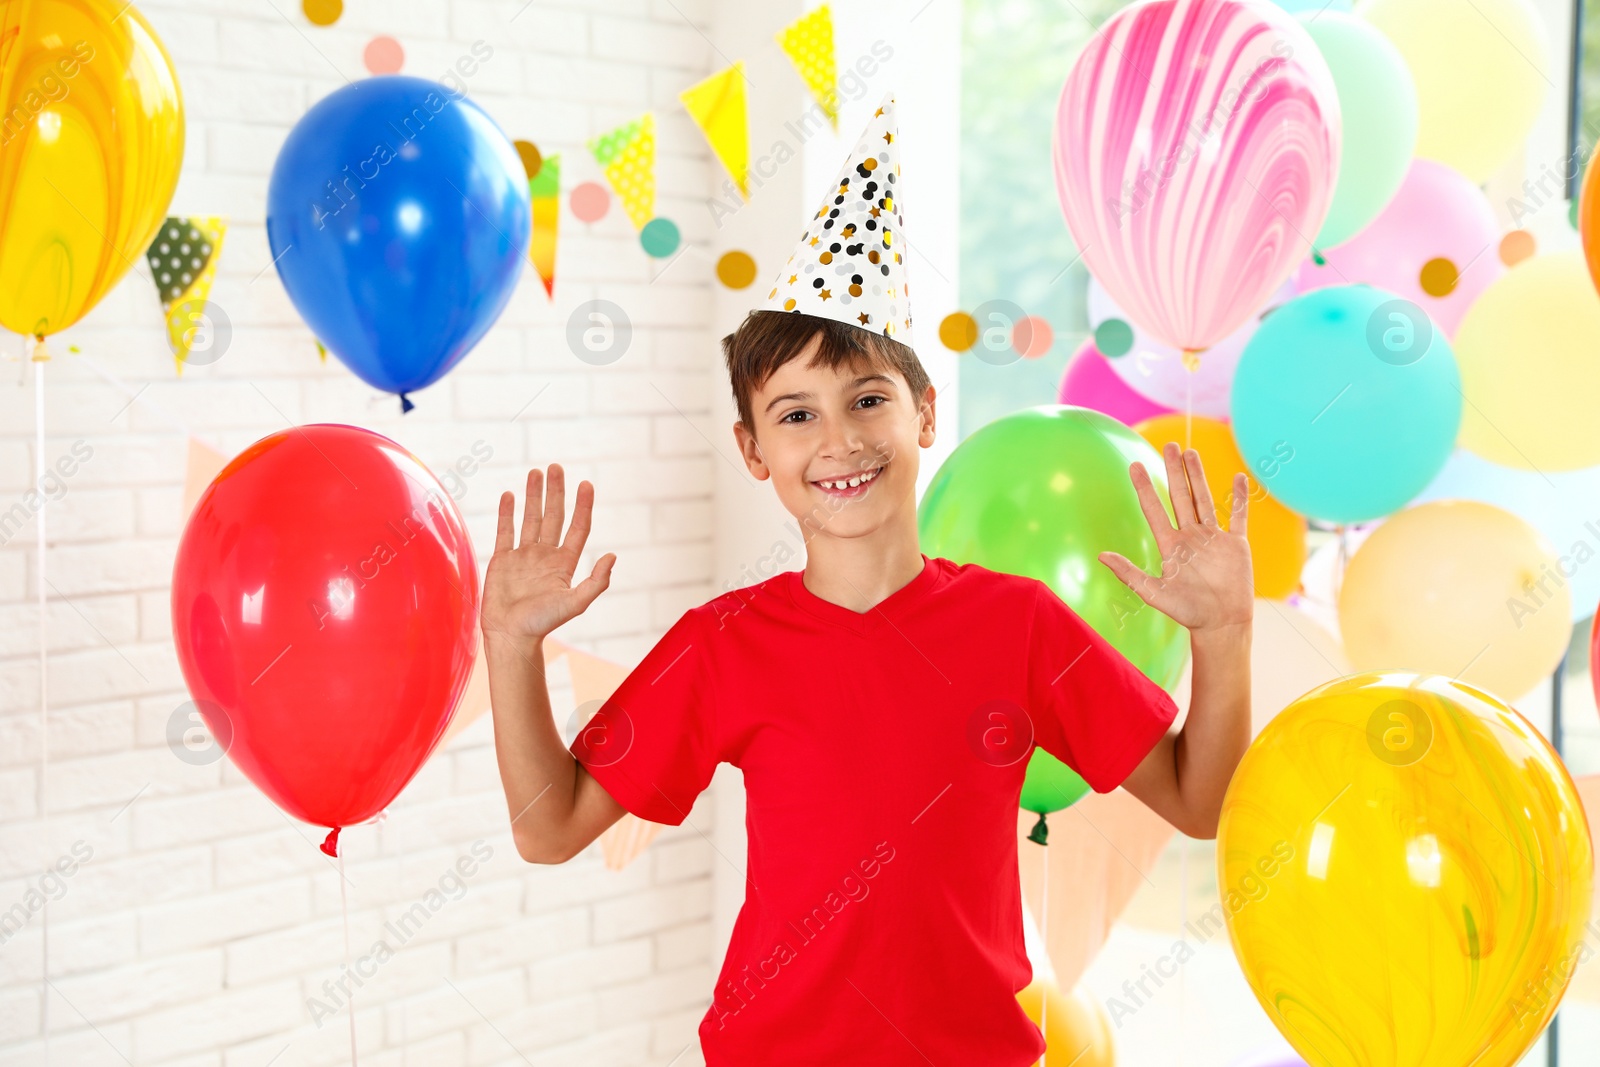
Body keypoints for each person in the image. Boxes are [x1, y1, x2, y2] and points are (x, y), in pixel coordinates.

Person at [482, 93, 1253, 1066]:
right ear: (752, 448)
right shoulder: (721, 644)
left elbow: (1199, 800)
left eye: (868, 398)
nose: (838, 438)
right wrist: (511, 645)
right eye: (795, 414)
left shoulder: (1015, 623)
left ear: (924, 414)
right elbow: (550, 828)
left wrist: (1223, 634)